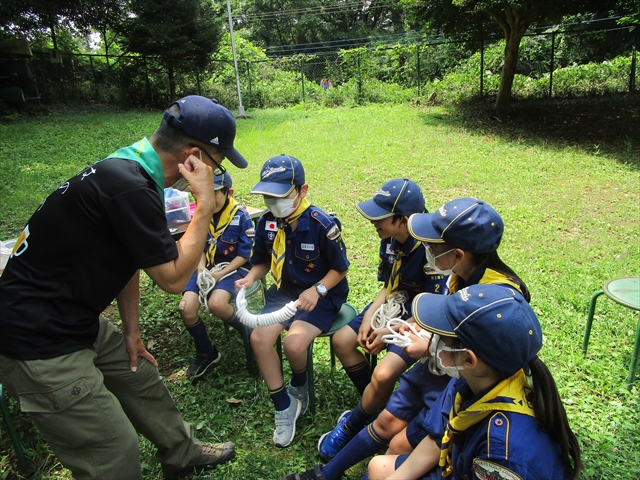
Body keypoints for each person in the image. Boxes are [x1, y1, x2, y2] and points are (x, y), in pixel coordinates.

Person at [0, 95, 246, 480]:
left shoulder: (128, 166)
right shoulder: (130, 188)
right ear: (194, 156)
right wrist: (204, 203)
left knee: (140, 378)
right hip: (38, 338)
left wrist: (132, 330)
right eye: (217, 164)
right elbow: (171, 279)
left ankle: (182, 454)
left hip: (70, 316)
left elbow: (129, 256)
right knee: (113, 449)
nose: (215, 173)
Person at [284, 197, 530, 480]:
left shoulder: (499, 297)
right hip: (441, 362)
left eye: (432, 244)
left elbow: (486, 359)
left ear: (459, 254)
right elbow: (442, 320)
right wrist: (412, 332)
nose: (425, 247)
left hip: (466, 380)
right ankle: (327, 473)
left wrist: (429, 345)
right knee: (387, 421)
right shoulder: (458, 274)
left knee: (398, 444)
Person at [366, 284, 583, 480]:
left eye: (439, 335)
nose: (429, 337)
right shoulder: (475, 379)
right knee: (379, 467)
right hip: (458, 465)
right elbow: (440, 436)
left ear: (469, 358)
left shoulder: (502, 454)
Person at [318, 179, 447, 459]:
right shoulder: (389, 239)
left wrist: (389, 328)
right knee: (342, 340)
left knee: (384, 373)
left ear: (402, 220)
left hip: (420, 318)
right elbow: (389, 282)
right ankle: (376, 404)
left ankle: (354, 422)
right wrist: (370, 317)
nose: (373, 221)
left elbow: (436, 308)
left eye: (380, 216)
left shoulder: (431, 248)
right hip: (394, 302)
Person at [235, 154, 349, 448]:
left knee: (294, 344)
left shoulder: (322, 224)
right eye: (268, 196)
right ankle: (283, 406)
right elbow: (260, 261)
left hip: (321, 294)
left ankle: (299, 386)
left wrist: (318, 290)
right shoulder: (267, 223)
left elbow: (341, 268)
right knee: (259, 339)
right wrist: (250, 277)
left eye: (281, 195)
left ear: (303, 190)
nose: (273, 203)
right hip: (283, 293)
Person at [177, 170, 254, 382]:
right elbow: (198, 247)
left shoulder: (241, 216)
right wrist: (202, 269)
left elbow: (244, 255)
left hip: (233, 269)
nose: (207, 199)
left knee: (217, 304)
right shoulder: (201, 215)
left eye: (214, 193)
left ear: (229, 192)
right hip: (206, 268)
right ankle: (207, 352)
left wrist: (220, 274)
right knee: (186, 308)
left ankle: (249, 333)